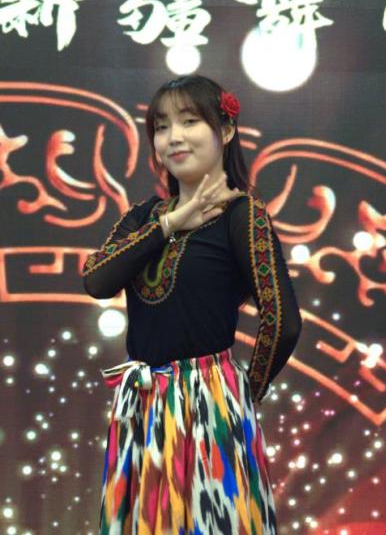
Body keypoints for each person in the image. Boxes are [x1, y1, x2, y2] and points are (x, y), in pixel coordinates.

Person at [81, 74, 302, 534]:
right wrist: (170, 224)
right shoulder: (144, 217)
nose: (173, 137)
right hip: (142, 404)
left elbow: (283, 323)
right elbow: (97, 281)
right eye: (161, 127)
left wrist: (241, 395)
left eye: (189, 121)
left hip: (208, 403)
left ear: (226, 130)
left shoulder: (242, 215)